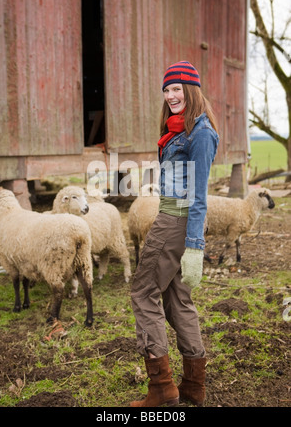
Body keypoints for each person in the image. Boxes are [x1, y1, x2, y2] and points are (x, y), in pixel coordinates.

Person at [130, 61, 219, 408]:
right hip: (174, 219)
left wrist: (195, 246)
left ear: (191, 90)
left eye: (177, 89)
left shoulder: (200, 133)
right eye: (167, 90)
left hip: (176, 223)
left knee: (142, 293)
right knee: (177, 300)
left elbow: (198, 196)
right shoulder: (178, 131)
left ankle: (162, 389)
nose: (170, 96)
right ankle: (193, 388)